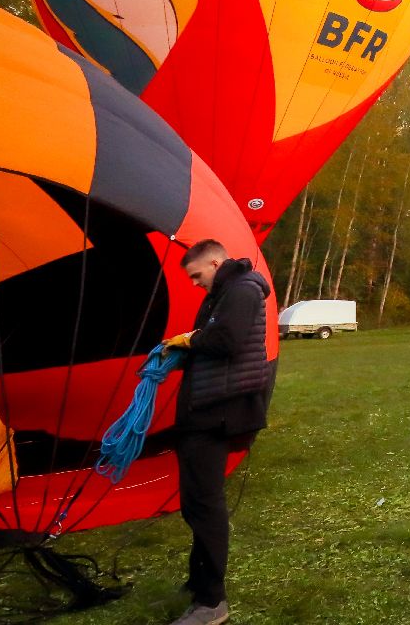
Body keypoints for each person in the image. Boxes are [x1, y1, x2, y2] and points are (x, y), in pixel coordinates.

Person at [164, 240, 275, 625]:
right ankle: (199, 582)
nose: (195, 283)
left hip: (219, 413)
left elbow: (227, 340)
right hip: (207, 409)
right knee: (195, 502)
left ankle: (212, 602)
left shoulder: (242, 290)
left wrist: (190, 340)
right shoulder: (224, 293)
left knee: (205, 504)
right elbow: (214, 342)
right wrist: (184, 350)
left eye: (197, 275)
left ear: (215, 263)